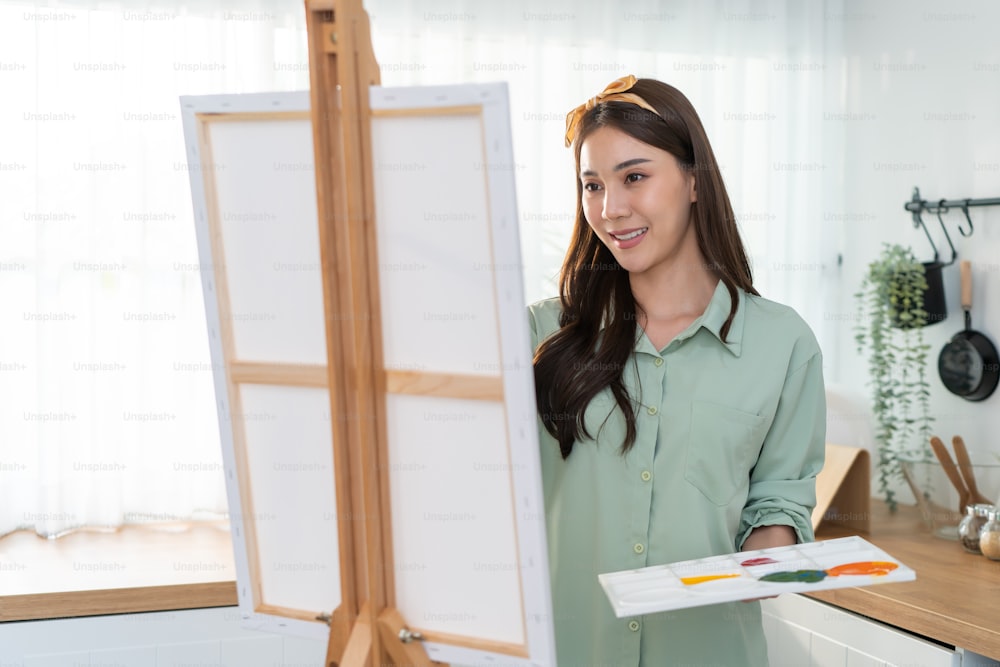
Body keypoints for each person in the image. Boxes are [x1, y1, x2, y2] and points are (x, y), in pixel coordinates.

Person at [528, 75, 826, 666]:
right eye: (592, 185)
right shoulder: (540, 336)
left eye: (634, 176)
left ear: (694, 180)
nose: (610, 210)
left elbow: (779, 501)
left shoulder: (781, 343)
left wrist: (769, 558)